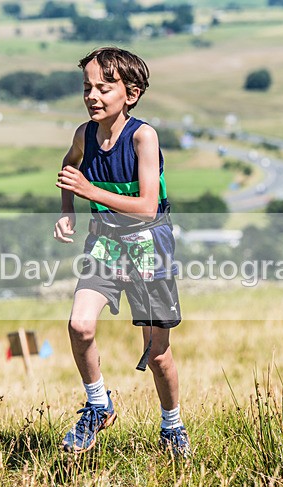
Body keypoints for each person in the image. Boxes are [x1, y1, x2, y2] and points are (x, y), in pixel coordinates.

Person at [53, 46, 191, 459]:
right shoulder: (84, 135)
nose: (93, 96)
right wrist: (67, 212)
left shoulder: (143, 137)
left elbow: (148, 205)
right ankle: (98, 405)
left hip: (150, 245)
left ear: (130, 94)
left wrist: (90, 192)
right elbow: (69, 168)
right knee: (79, 326)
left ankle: (172, 426)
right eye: (87, 88)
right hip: (106, 243)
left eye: (104, 88)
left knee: (157, 354)